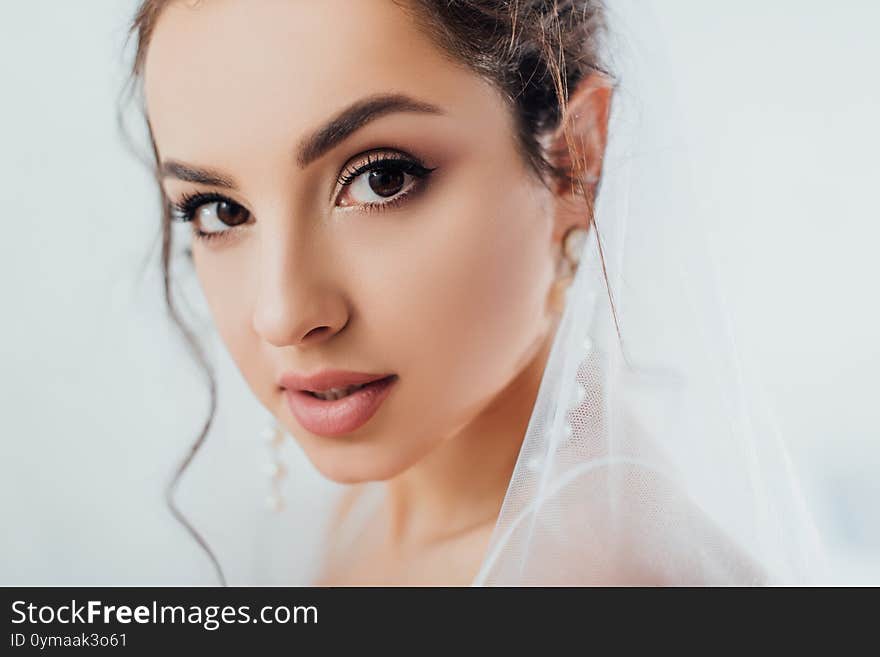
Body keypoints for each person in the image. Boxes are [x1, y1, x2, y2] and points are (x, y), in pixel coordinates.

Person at [126, 0, 826, 585]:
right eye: (218, 210)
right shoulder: (367, 511)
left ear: (572, 157)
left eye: (381, 178)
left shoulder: (605, 580)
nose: (282, 314)